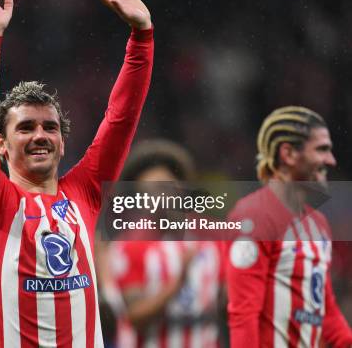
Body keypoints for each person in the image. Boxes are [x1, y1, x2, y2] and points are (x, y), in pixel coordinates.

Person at [0, 0, 154, 347]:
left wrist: (142, 37)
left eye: (50, 128)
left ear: (63, 143)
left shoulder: (85, 193)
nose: (40, 136)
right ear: (0, 144)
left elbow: (121, 118)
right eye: (26, 127)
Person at [225, 106, 352, 347]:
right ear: (289, 154)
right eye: (322, 149)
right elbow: (243, 315)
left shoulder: (319, 224)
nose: (331, 160)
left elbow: (327, 313)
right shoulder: (254, 218)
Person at [105, 140, 223, 347]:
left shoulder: (211, 237)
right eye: (151, 191)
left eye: (165, 186)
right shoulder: (129, 247)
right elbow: (136, 317)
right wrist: (177, 282)